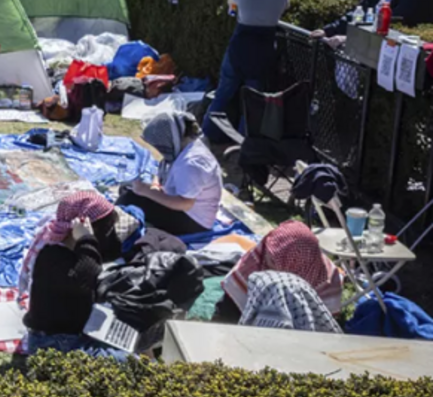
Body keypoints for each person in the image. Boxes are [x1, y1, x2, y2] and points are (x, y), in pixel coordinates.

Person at [18, 192, 129, 359]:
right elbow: (87, 276)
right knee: (130, 361)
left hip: (69, 333)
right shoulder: (52, 257)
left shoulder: (67, 250)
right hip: (54, 343)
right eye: (106, 229)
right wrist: (86, 238)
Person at [203, 0, 289, 142]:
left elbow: (232, 5)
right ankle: (244, 141)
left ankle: (206, 134)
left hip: (240, 46)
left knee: (223, 93)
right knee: (252, 99)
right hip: (264, 49)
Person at [213, 221, 343, 326]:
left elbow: (322, 324)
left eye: (273, 260)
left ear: (294, 265)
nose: (266, 260)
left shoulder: (327, 278)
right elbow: (230, 304)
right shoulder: (257, 258)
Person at [119, 112, 222, 235]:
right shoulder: (185, 148)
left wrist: (147, 192)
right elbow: (163, 170)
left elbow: (185, 203)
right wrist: (155, 187)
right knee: (127, 188)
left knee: (128, 198)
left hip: (194, 221)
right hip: (183, 208)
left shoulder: (192, 163)